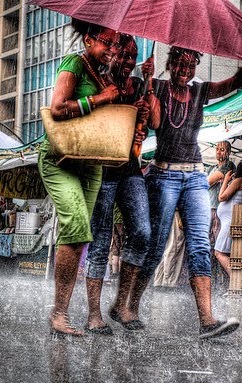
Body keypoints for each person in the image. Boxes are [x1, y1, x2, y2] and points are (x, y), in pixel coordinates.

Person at [136, 47, 242, 339]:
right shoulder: (160, 86)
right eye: (178, 63)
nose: (184, 69)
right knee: (154, 245)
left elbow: (229, 85)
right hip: (164, 172)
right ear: (170, 64)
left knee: (201, 245)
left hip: (194, 175)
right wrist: (148, 81)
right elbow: (153, 123)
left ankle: (207, 321)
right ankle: (130, 304)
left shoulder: (200, 90)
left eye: (190, 64)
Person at [38, 19, 122, 337]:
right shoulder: (74, 62)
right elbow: (57, 108)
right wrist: (100, 99)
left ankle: (64, 312)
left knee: (80, 235)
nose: (111, 49)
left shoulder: (106, 72)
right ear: (89, 40)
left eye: (115, 44)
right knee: (75, 226)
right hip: (60, 159)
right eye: (107, 43)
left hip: (92, 162)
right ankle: (59, 314)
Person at [85, 34, 151, 334]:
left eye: (132, 56)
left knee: (142, 231)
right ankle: (94, 314)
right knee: (100, 242)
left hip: (131, 167)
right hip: (102, 166)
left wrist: (144, 111)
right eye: (122, 55)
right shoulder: (100, 81)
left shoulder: (139, 84)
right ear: (111, 54)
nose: (127, 62)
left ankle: (121, 304)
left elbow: (143, 130)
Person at [214, 158, 242, 277]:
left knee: (219, 252)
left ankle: (237, 279)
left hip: (230, 222)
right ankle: (237, 281)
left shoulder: (239, 181)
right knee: (233, 254)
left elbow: (222, 197)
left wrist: (226, 180)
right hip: (238, 220)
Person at [207, 141, 236, 247]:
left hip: (220, 210)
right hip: (209, 208)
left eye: (222, 150)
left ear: (228, 153)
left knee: (218, 242)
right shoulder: (211, 168)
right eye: (217, 149)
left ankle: (219, 263)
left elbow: (207, 183)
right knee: (208, 242)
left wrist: (213, 180)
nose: (219, 152)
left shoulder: (229, 165)